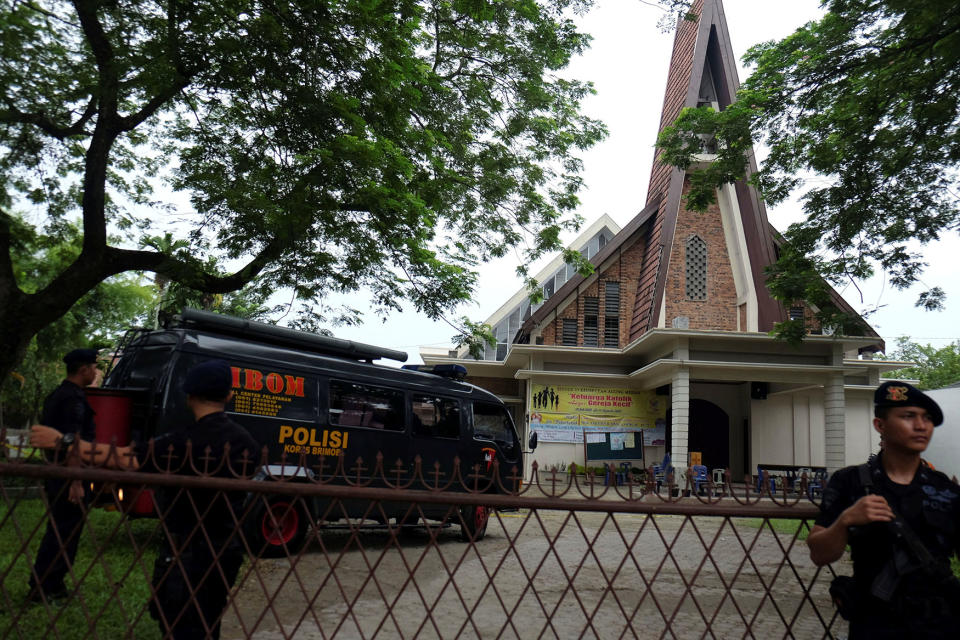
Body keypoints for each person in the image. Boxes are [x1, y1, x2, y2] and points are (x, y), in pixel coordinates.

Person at [31, 359, 259, 640]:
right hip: (225, 549)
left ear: (188, 397)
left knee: (181, 624)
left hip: (185, 550)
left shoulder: (182, 442)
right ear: (229, 396)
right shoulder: (247, 442)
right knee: (207, 617)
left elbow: (124, 458)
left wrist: (63, 442)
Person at [807, 381, 960, 639]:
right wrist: (845, 520)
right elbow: (819, 554)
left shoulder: (945, 489)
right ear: (880, 425)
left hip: (939, 623)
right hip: (875, 623)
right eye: (908, 416)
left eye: (927, 418)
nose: (921, 426)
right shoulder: (850, 482)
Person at [28, 347, 99, 603]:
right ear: (84, 370)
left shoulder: (59, 394)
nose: (96, 371)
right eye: (94, 367)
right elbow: (73, 441)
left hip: (58, 472)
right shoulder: (73, 400)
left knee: (59, 531)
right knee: (64, 534)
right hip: (70, 475)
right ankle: (47, 587)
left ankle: (48, 584)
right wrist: (77, 481)